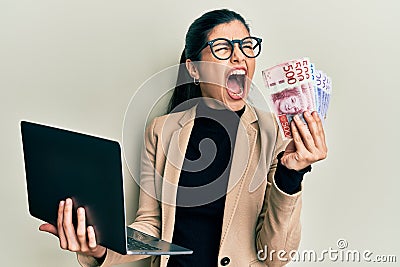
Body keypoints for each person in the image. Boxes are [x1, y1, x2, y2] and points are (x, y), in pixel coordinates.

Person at [39, 9, 327, 267]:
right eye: (223, 48)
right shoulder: (161, 130)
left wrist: (291, 175)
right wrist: (101, 250)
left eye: (246, 46)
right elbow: (150, 226)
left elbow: (276, 255)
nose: (239, 56)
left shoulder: (272, 132)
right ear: (194, 69)